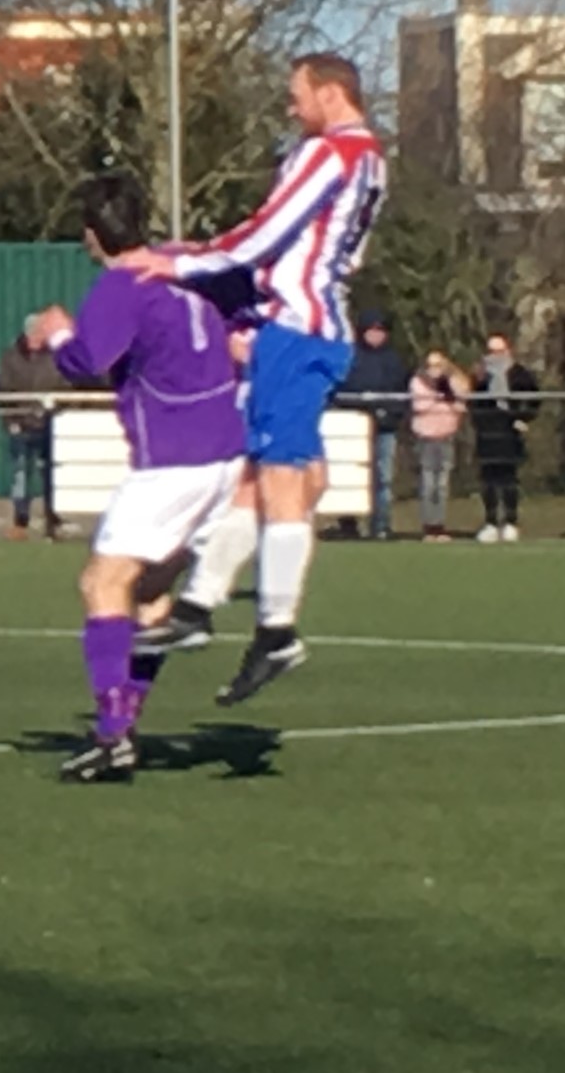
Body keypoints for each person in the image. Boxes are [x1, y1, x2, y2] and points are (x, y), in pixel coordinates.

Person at [126, 54, 385, 700]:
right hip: (305, 327)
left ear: (330, 94)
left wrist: (180, 264)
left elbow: (264, 232)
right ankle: (198, 606)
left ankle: (276, 626)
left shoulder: (329, 154)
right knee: (252, 474)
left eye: (297, 96)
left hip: (298, 328)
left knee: (280, 476)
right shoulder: (373, 159)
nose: (291, 109)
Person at [35, 176, 247, 782]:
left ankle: (110, 736)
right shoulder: (183, 261)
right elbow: (239, 301)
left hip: (172, 458)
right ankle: (123, 725)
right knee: (150, 594)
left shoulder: (121, 285)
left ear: (91, 235)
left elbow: (85, 362)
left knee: (102, 583)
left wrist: (57, 332)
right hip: (225, 453)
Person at [339, 312, 409, 541]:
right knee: (349, 476)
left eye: (380, 331)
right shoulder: (350, 357)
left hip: (385, 426)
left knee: (383, 478)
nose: (376, 335)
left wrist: (388, 413)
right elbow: (340, 388)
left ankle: (380, 525)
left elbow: (402, 392)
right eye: (372, 330)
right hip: (353, 426)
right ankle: (348, 525)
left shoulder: (394, 360)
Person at [1, 314, 68, 541]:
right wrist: (11, 420)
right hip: (21, 424)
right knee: (21, 474)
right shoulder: (11, 357)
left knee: (52, 475)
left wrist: (55, 407)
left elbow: (65, 384)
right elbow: (5, 390)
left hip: (50, 423)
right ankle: (20, 521)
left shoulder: (56, 357)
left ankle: (52, 520)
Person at [468, 332, 538, 543]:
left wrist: (523, 418)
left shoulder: (520, 374)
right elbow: (472, 403)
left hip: (510, 434)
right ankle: (490, 522)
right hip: (487, 434)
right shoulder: (479, 375)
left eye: (499, 351)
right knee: (488, 480)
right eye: (491, 351)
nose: (495, 356)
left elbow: (534, 399)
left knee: (509, 480)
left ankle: (510, 522)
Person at [408, 349, 467, 540]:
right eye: (431, 365)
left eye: (439, 365)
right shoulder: (418, 382)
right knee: (428, 483)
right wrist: (440, 397)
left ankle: (440, 525)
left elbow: (460, 406)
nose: (435, 370)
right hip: (425, 437)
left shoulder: (455, 380)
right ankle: (428, 526)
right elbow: (420, 406)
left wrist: (448, 395)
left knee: (442, 484)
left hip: (446, 435)